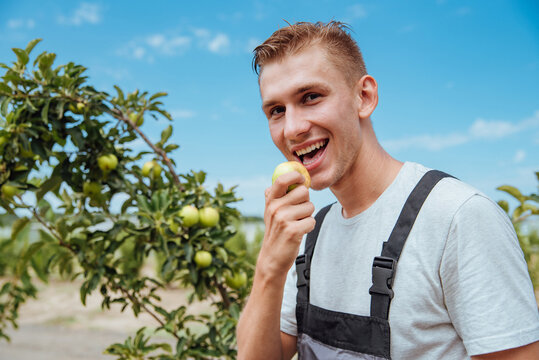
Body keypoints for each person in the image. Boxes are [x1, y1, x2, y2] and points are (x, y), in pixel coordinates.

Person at [237, 21, 539, 359]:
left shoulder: (459, 217)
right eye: (276, 110)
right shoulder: (310, 234)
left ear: (364, 97)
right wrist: (269, 266)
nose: (292, 129)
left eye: (311, 97)